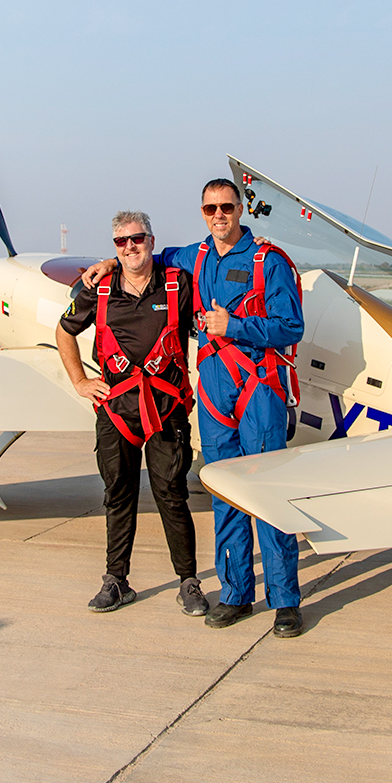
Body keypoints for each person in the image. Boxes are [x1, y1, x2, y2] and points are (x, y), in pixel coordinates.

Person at [84, 179, 306, 638]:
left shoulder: (271, 261)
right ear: (202, 212)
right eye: (210, 208)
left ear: (241, 208)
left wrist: (237, 326)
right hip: (213, 394)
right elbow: (146, 257)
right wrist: (109, 261)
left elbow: (291, 327)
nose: (219, 215)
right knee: (225, 493)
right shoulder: (195, 257)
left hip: (259, 389)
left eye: (226, 206)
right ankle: (236, 594)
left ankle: (285, 601)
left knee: (267, 495)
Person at [57, 210, 208, 618]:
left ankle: (188, 582)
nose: (130, 247)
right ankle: (116, 581)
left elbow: (210, 269)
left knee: (172, 496)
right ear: (114, 248)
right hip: (116, 410)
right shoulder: (98, 288)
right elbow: (64, 330)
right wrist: (79, 382)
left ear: (152, 241)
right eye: (121, 243)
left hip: (166, 411)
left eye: (137, 239)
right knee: (117, 495)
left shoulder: (179, 284)